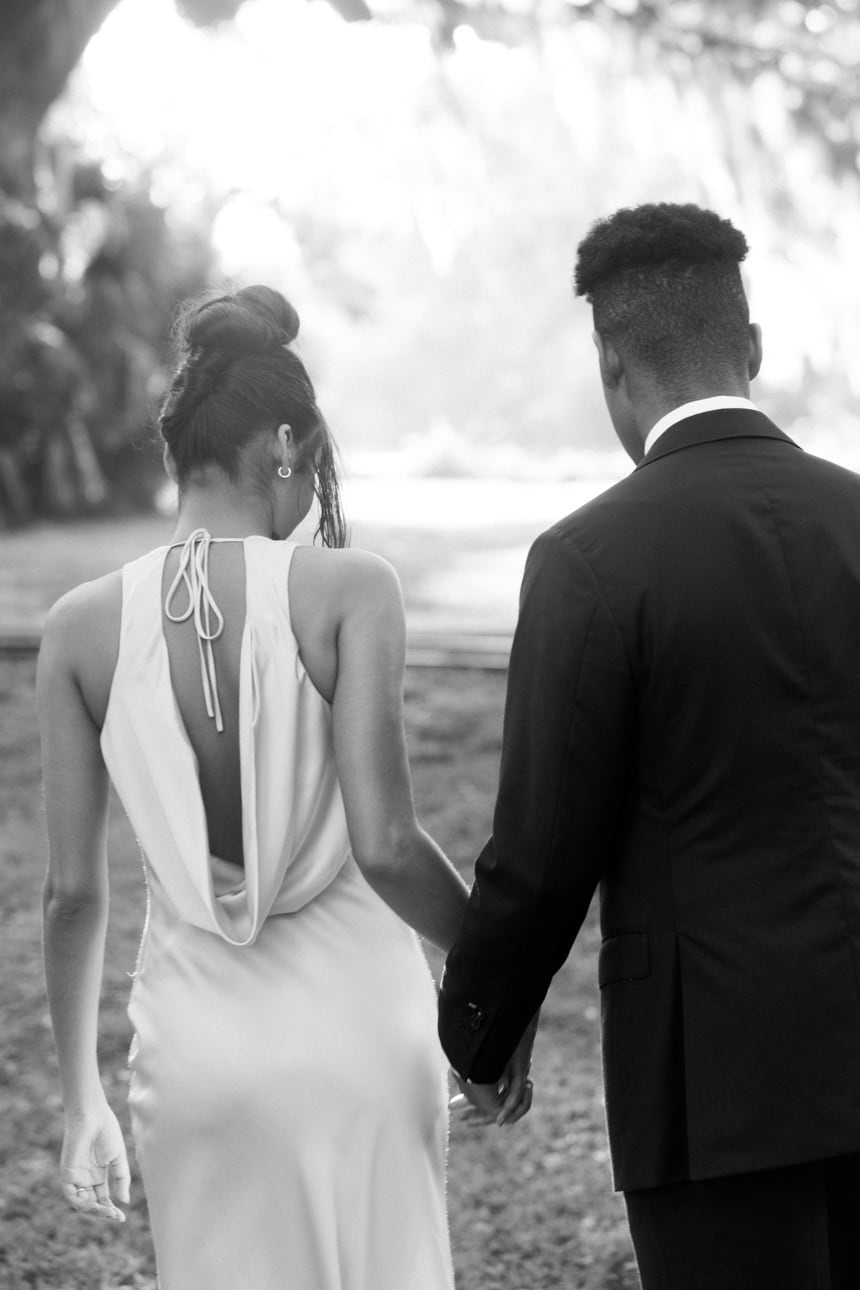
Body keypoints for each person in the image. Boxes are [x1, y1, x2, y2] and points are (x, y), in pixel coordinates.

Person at [37, 284, 526, 1290]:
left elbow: (71, 896)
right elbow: (386, 844)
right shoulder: (351, 591)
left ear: (177, 452)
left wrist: (81, 1096)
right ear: (287, 447)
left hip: (199, 1057)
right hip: (360, 1038)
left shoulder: (79, 629)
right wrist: (494, 996)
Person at [438, 202, 860, 1289]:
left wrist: (480, 1030)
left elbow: (538, 854)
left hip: (710, 1081)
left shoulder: (589, 560)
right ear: (752, 350)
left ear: (609, 368)